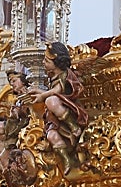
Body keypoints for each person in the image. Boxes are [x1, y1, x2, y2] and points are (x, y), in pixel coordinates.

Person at [32, 41, 88, 172]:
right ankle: (66, 160)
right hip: (56, 116)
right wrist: (38, 92)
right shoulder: (53, 76)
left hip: (68, 108)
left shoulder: (65, 74)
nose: (43, 63)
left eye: (47, 61)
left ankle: (74, 126)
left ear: (56, 63)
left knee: (50, 101)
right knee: (51, 135)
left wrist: (43, 96)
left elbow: (57, 91)